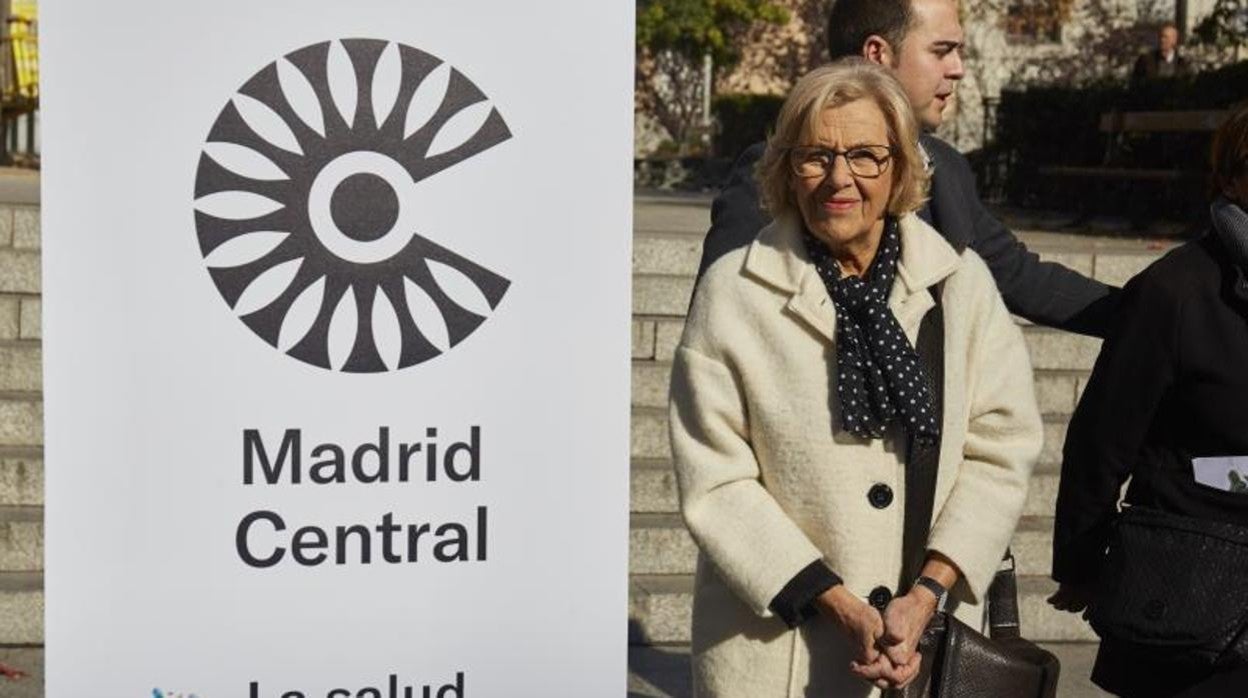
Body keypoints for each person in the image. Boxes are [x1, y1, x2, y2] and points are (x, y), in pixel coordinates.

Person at [670, 60, 1042, 697]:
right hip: (777, 655)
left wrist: (925, 596)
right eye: (816, 155)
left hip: (923, 652)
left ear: (900, 167)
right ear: (787, 167)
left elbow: (1000, 448)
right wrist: (836, 601)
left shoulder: (960, 284)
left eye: (867, 155)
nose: (840, 178)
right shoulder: (734, 291)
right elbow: (716, 477)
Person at [699, 0, 1118, 338]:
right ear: (878, 54)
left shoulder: (944, 168)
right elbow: (717, 317)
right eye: (941, 50)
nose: (957, 68)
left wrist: (1158, 313)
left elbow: (1021, 279)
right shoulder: (779, 170)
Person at [1049, 103, 1248, 697]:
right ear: (1230, 178)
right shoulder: (1173, 293)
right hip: (1192, 599)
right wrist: (1081, 565)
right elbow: (1100, 442)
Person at [1130, 22, 1190, 88]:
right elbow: (1135, 84)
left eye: (1166, 37)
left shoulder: (1182, 64)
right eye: (1161, 36)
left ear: (1174, 40)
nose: (1162, 40)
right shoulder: (1145, 61)